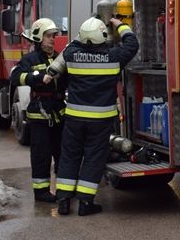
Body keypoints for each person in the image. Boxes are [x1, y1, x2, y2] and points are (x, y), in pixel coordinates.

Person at [51, 16, 139, 216]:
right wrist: (119, 24)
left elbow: (72, 45)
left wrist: (84, 33)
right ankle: (85, 203)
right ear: (103, 37)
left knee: (69, 156)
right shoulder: (114, 57)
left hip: (74, 117)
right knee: (93, 158)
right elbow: (132, 44)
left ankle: (64, 201)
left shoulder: (72, 55)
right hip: (100, 120)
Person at [10, 18, 67, 203]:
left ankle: (64, 189)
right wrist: (38, 77)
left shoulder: (59, 57)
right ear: (38, 38)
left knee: (62, 153)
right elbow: (15, 77)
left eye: (54, 36)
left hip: (59, 111)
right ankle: (41, 191)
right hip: (40, 112)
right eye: (49, 36)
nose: (53, 39)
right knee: (41, 154)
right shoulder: (30, 60)